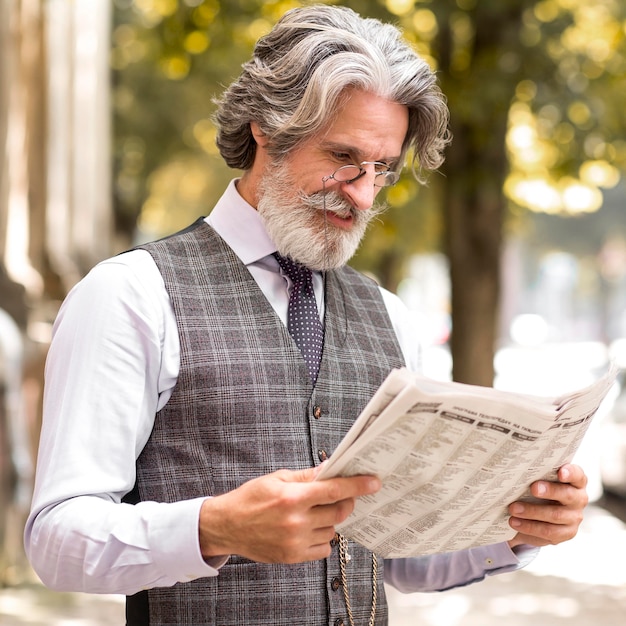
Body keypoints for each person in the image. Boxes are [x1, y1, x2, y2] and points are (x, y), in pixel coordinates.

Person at [25, 6, 589, 626]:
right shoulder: (129, 295)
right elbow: (57, 540)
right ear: (267, 128)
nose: (364, 194)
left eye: (382, 169)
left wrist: (518, 529)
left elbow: (392, 559)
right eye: (343, 157)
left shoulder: (391, 318)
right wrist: (215, 528)